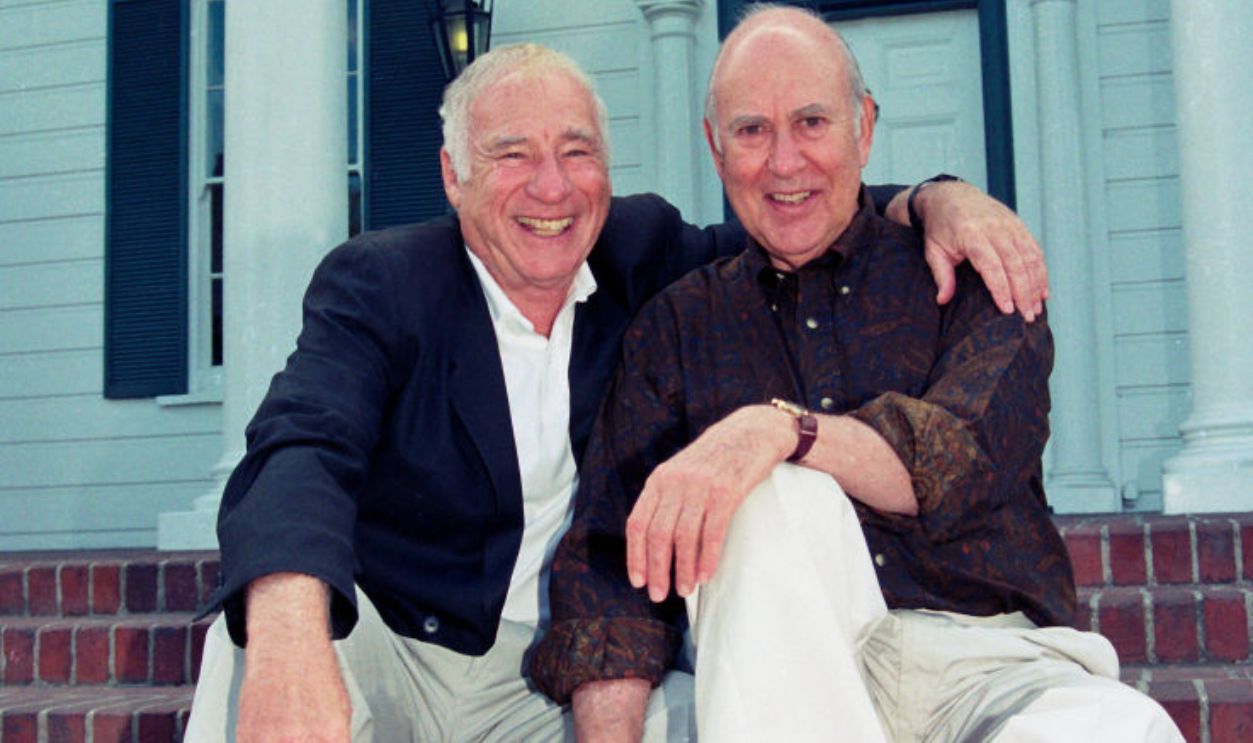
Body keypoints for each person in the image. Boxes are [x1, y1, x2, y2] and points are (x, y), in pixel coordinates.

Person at [185, 39, 1049, 742]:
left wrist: (938, 200)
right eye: (510, 155)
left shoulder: (640, 255)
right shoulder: (382, 285)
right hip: (399, 642)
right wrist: (292, 638)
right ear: (453, 177)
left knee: (716, 713)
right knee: (255, 641)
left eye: (576, 153)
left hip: (545, 679)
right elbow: (299, 449)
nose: (550, 187)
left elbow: (792, 209)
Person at [531, 7, 1183, 743]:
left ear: (864, 127)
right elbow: (609, 566)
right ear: (715, 149)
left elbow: (957, 458)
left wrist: (777, 430)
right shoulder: (678, 324)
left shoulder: (975, 273)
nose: (783, 162)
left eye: (812, 122)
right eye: (751, 131)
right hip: (775, 680)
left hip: (990, 667)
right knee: (762, 491)